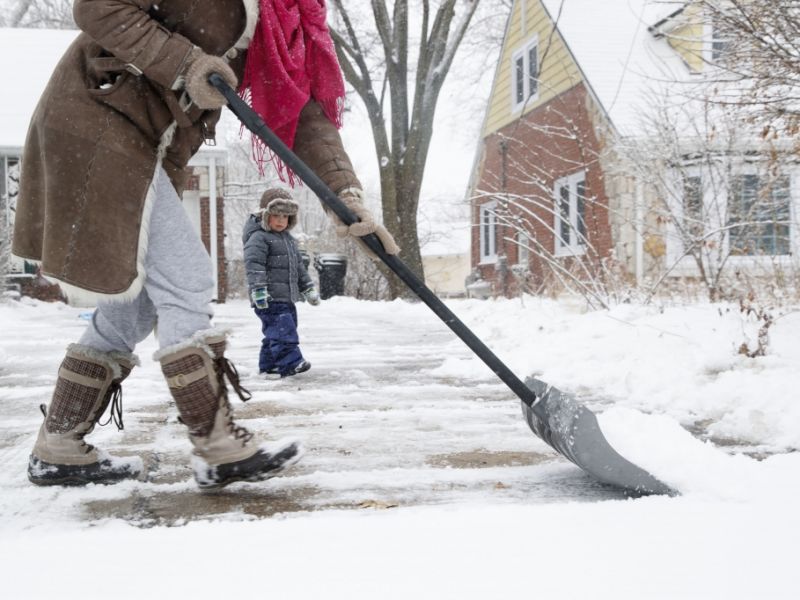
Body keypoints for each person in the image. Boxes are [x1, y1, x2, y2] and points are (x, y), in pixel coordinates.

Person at [11, 0, 398, 489]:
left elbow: (303, 114)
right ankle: (217, 446)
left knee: (132, 310)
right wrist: (185, 63)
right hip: (100, 121)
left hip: (146, 146)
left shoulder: (290, 22)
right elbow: (97, 7)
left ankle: (59, 447)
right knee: (188, 280)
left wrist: (346, 196)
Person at [243, 188, 320, 378]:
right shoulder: (258, 238)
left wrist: (308, 287)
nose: (280, 221)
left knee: (278, 331)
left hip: (286, 297)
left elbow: (298, 267)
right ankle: (291, 363)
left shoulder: (288, 240)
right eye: (276, 215)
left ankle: (269, 365)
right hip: (268, 298)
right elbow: (255, 266)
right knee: (283, 330)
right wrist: (259, 290)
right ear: (264, 215)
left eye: (285, 216)